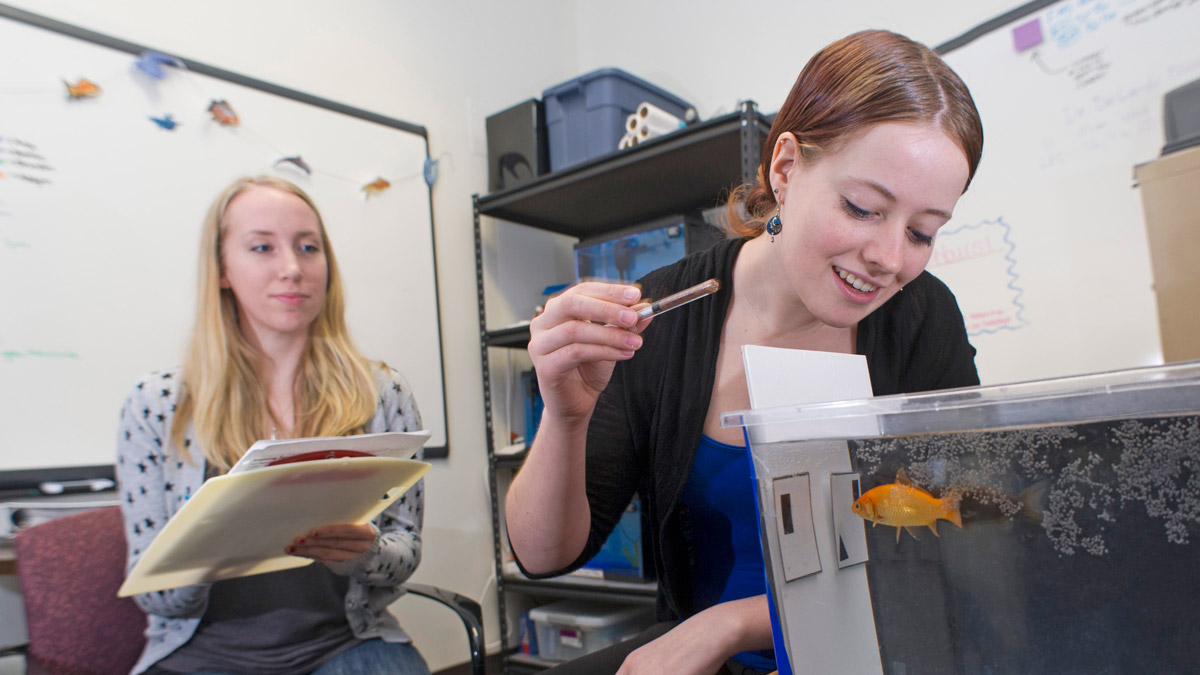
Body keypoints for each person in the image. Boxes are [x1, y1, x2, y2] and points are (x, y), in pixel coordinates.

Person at [505, 29, 984, 675]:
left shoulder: (922, 317)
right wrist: (564, 416)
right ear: (784, 168)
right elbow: (543, 555)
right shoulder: (662, 314)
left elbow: (950, 536)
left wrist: (731, 623)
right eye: (863, 207)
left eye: (924, 231)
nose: (892, 259)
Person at [116, 175, 429, 675]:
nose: (291, 268)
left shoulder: (382, 391)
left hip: (344, 646)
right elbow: (157, 598)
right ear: (222, 269)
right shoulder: (156, 404)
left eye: (309, 248)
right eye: (262, 247)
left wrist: (363, 553)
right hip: (200, 658)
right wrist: (206, 550)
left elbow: (405, 554)